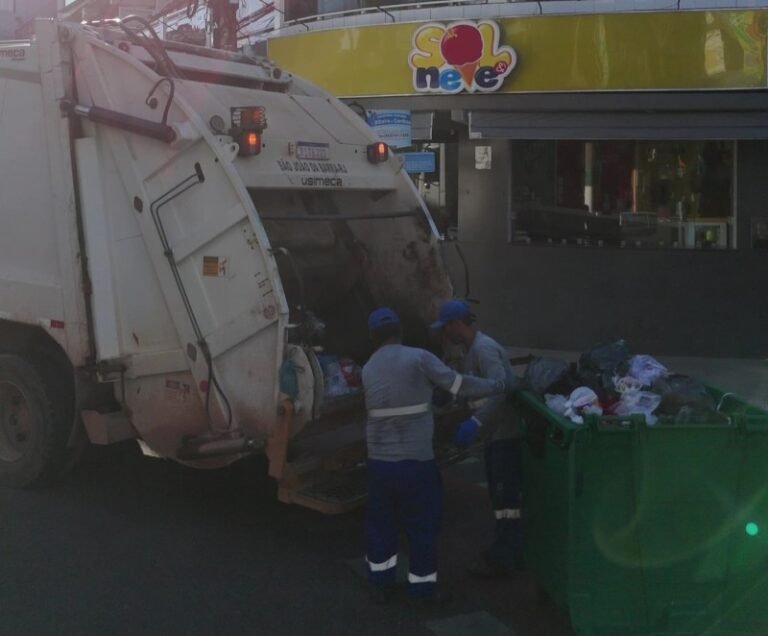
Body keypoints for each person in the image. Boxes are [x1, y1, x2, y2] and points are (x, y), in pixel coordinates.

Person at [362, 307, 507, 604]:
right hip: (416, 462)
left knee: (381, 524)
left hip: (379, 464)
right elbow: (459, 385)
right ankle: (422, 589)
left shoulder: (368, 369)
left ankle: (380, 581)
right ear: (400, 332)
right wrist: (498, 385)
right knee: (421, 526)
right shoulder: (418, 357)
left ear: (372, 337)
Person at [432, 299, 526, 578]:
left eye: (445, 328)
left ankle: (509, 554)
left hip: (503, 436)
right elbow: (476, 387)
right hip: (493, 435)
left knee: (505, 499)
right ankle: (505, 548)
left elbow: (501, 390)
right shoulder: (472, 351)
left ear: (456, 324)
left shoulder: (484, 350)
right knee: (500, 500)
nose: (444, 334)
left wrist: (475, 421)